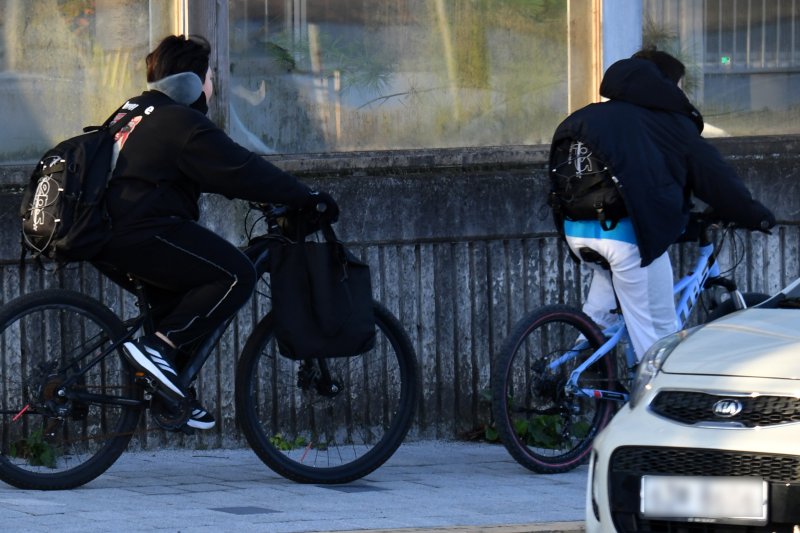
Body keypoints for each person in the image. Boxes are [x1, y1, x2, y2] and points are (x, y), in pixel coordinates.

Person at [92, 35, 339, 430]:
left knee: (183, 300)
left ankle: (174, 393)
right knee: (235, 274)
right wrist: (306, 197)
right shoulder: (181, 121)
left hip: (106, 234)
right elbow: (241, 168)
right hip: (142, 232)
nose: (213, 85)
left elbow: (196, 171)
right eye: (209, 76)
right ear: (191, 81)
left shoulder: (135, 111)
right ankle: (158, 350)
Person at [547, 47, 775, 362]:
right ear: (663, 83)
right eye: (679, 85)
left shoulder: (591, 116)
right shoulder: (667, 123)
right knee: (659, 336)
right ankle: (652, 406)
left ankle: (561, 378)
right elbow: (714, 178)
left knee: (599, 322)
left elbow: (642, 183)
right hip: (626, 239)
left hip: (577, 231)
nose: (680, 93)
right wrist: (756, 216)